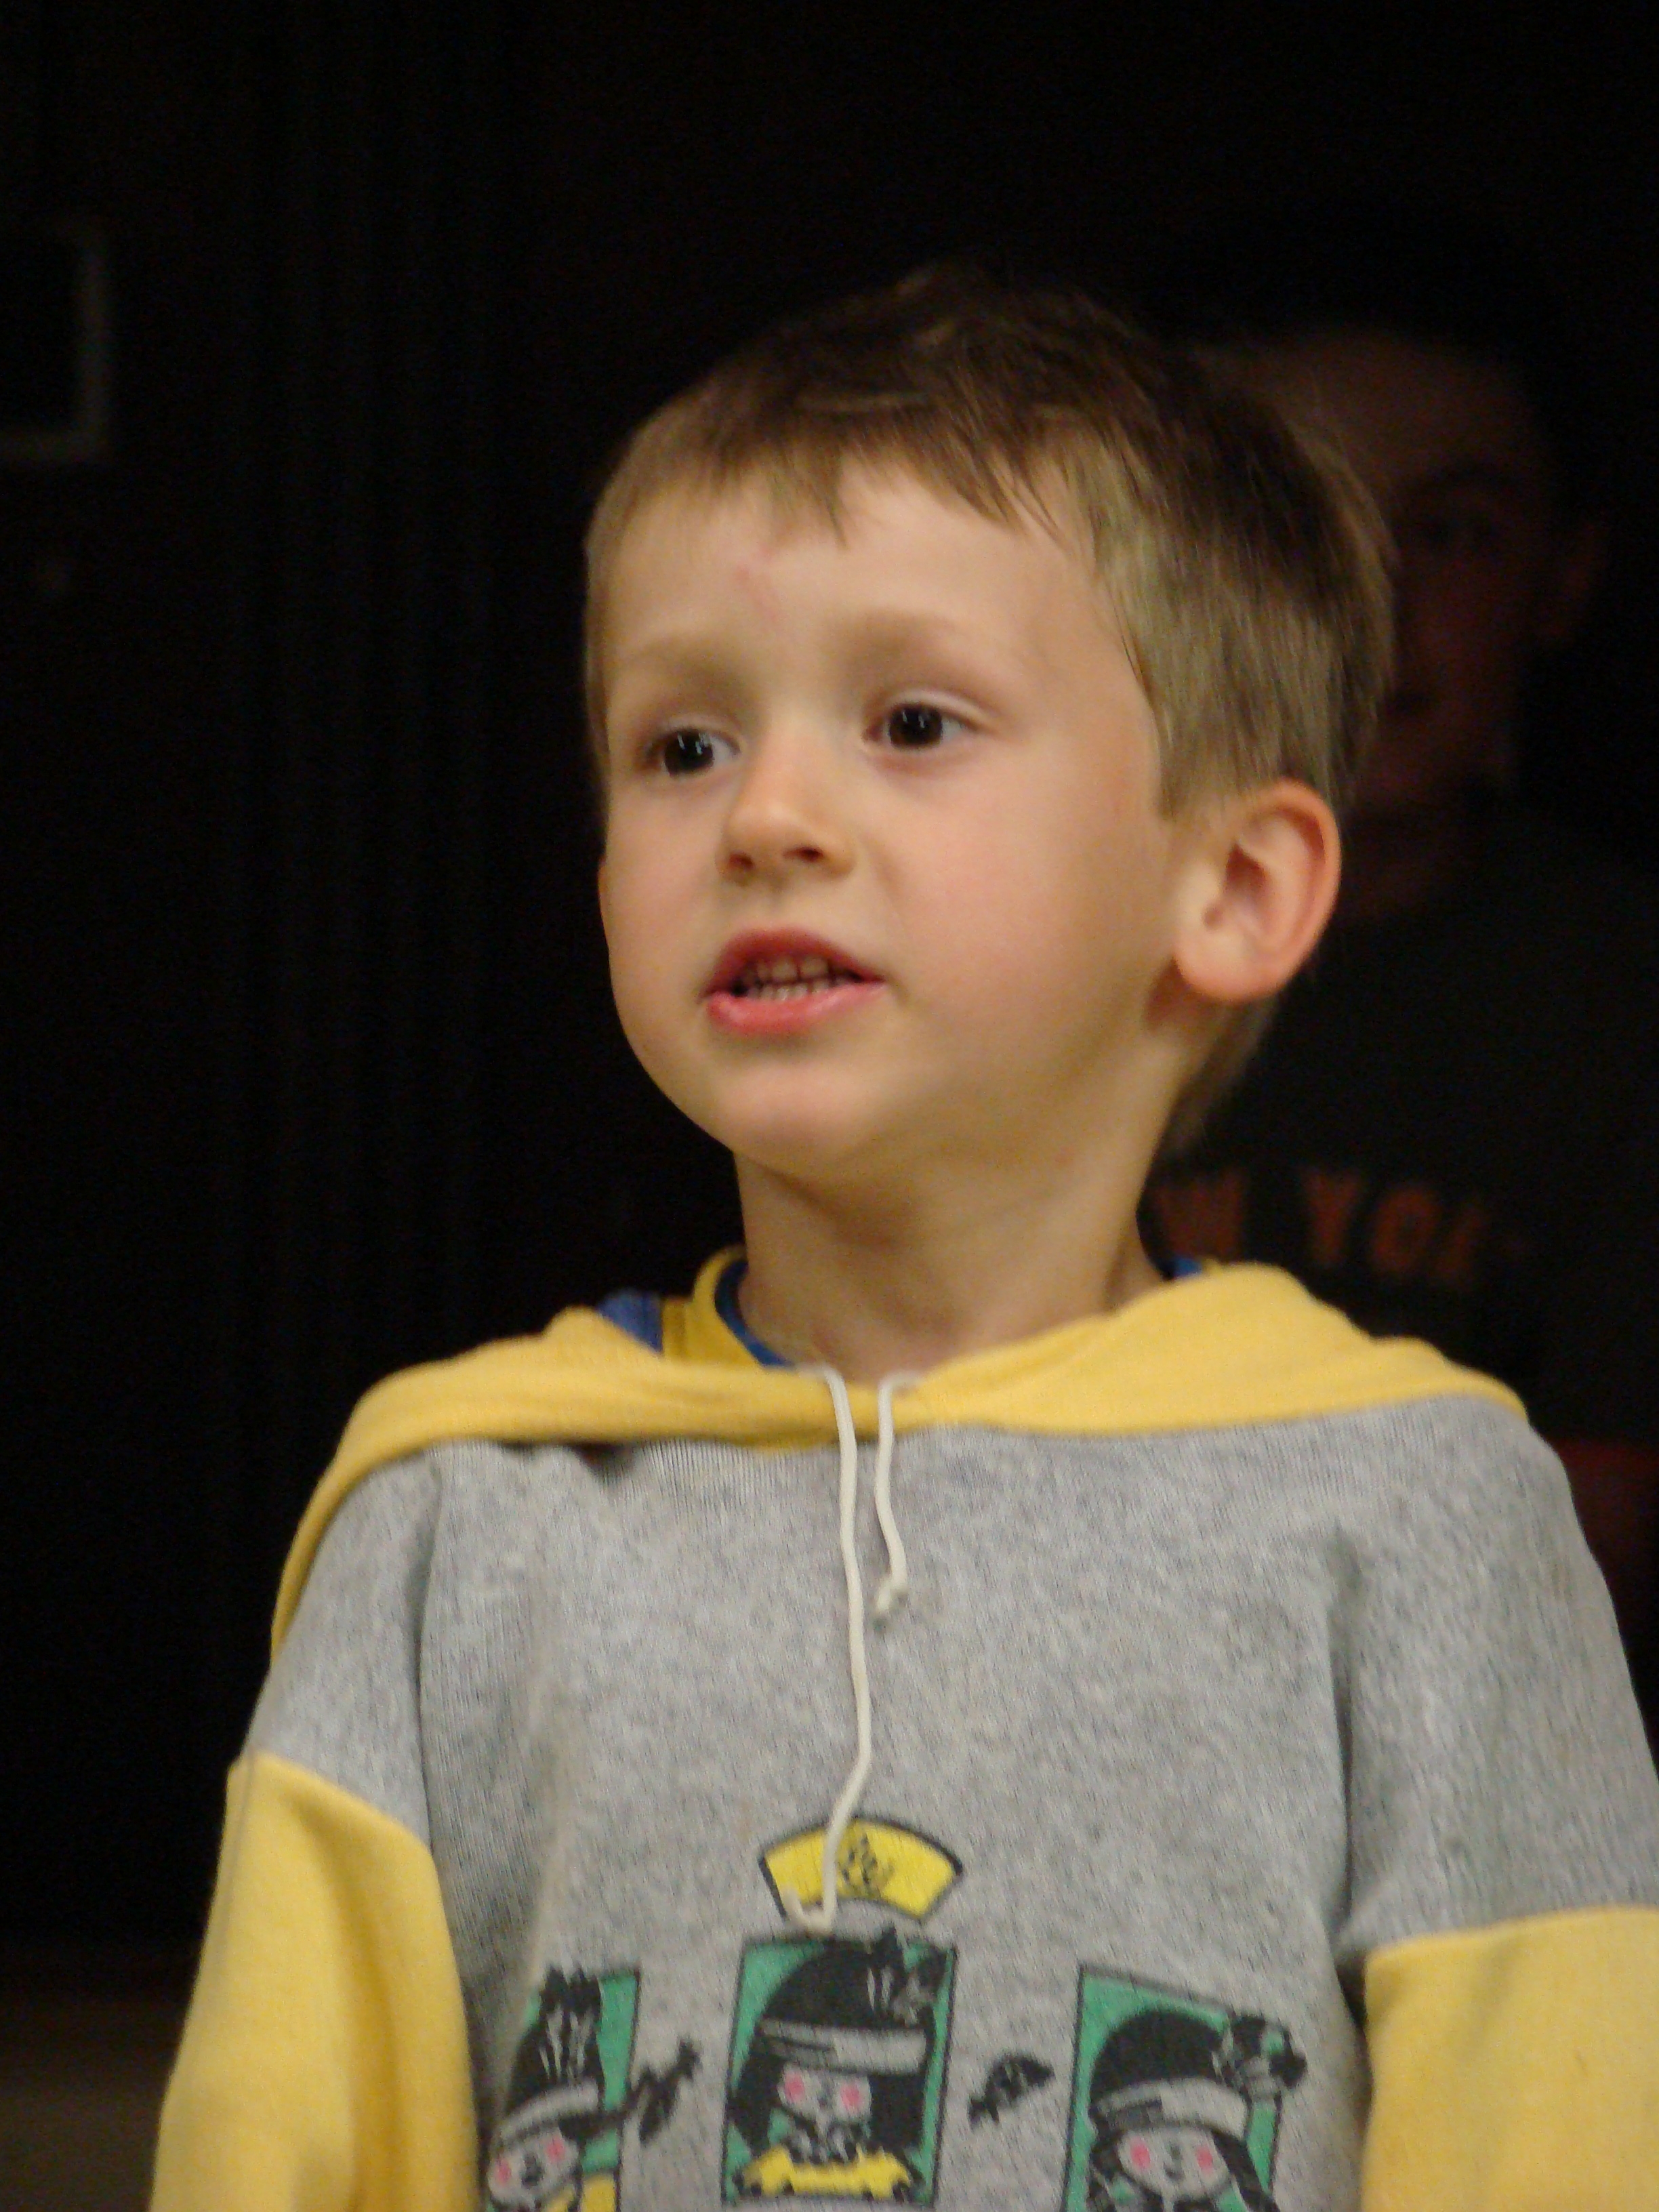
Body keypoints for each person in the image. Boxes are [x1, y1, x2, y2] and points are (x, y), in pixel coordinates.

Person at [152, 268, 1659, 2212]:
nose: (768, 815)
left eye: (914, 720)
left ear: (1233, 884)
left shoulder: (1423, 1515)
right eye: (681, 746)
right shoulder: (457, 1514)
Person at [1139, 210, 1659, 1705]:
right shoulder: (1022, 947)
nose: (1371, 594)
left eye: (1453, 531)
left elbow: (1584, 1585)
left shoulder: (1611, 995)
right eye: (1297, 513)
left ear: (1564, 578)